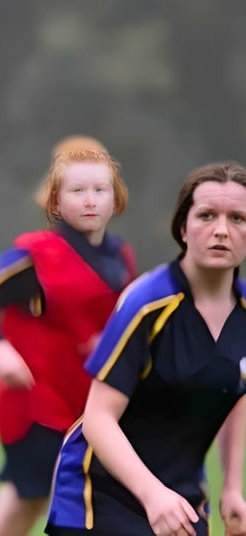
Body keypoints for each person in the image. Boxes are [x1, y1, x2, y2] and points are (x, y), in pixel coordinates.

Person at [46, 161, 246, 535]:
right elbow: (98, 418)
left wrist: (232, 487)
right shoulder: (148, 303)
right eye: (207, 215)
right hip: (101, 497)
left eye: (237, 218)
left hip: (181, 498)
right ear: (183, 228)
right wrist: (152, 496)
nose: (221, 230)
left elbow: (236, 388)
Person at [0, 147, 137, 536]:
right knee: (22, 509)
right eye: (77, 190)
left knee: (87, 506)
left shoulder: (121, 257)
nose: (90, 199)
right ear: (56, 202)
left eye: (100, 189)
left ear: (116, 198)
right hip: (37, 402)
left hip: (89, 403)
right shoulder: (35, 255)